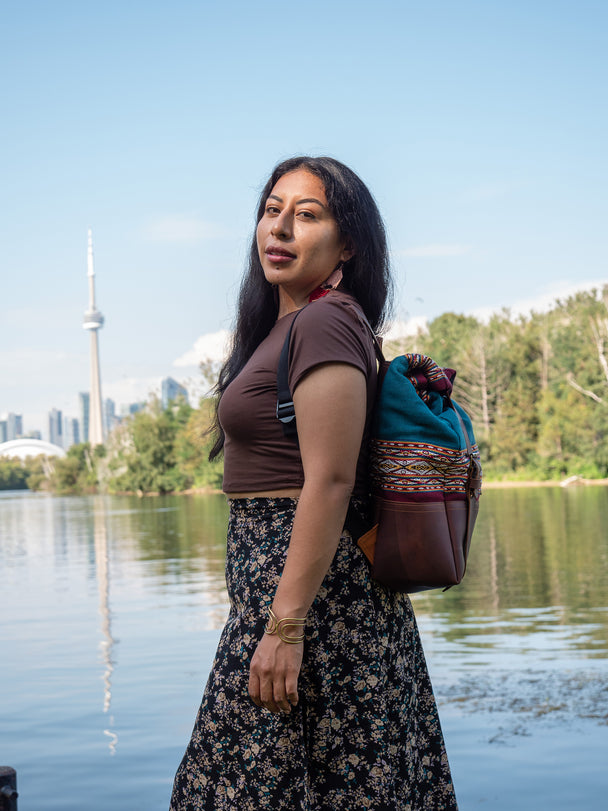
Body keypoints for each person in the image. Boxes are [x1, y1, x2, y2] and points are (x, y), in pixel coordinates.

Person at [169, 157, 458, 810]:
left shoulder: (325, 322)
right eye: (272, 210)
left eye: (306, 215)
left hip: (317, 607)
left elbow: (330, 480)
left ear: (347, 244)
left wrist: (286, 627)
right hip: (286, 596)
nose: (280, 228)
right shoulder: (285, 326)